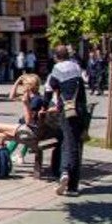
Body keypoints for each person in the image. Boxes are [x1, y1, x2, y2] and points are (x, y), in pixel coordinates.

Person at [47, 45, 88, 196]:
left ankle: (64, 171)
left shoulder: (57, 69)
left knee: (69, 144)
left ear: (56, 56)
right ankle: (72, 187)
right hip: (81, 110)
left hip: (68, 110)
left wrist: (45, 106)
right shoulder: (76, 67)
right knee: (73, 144)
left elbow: (50, 88)